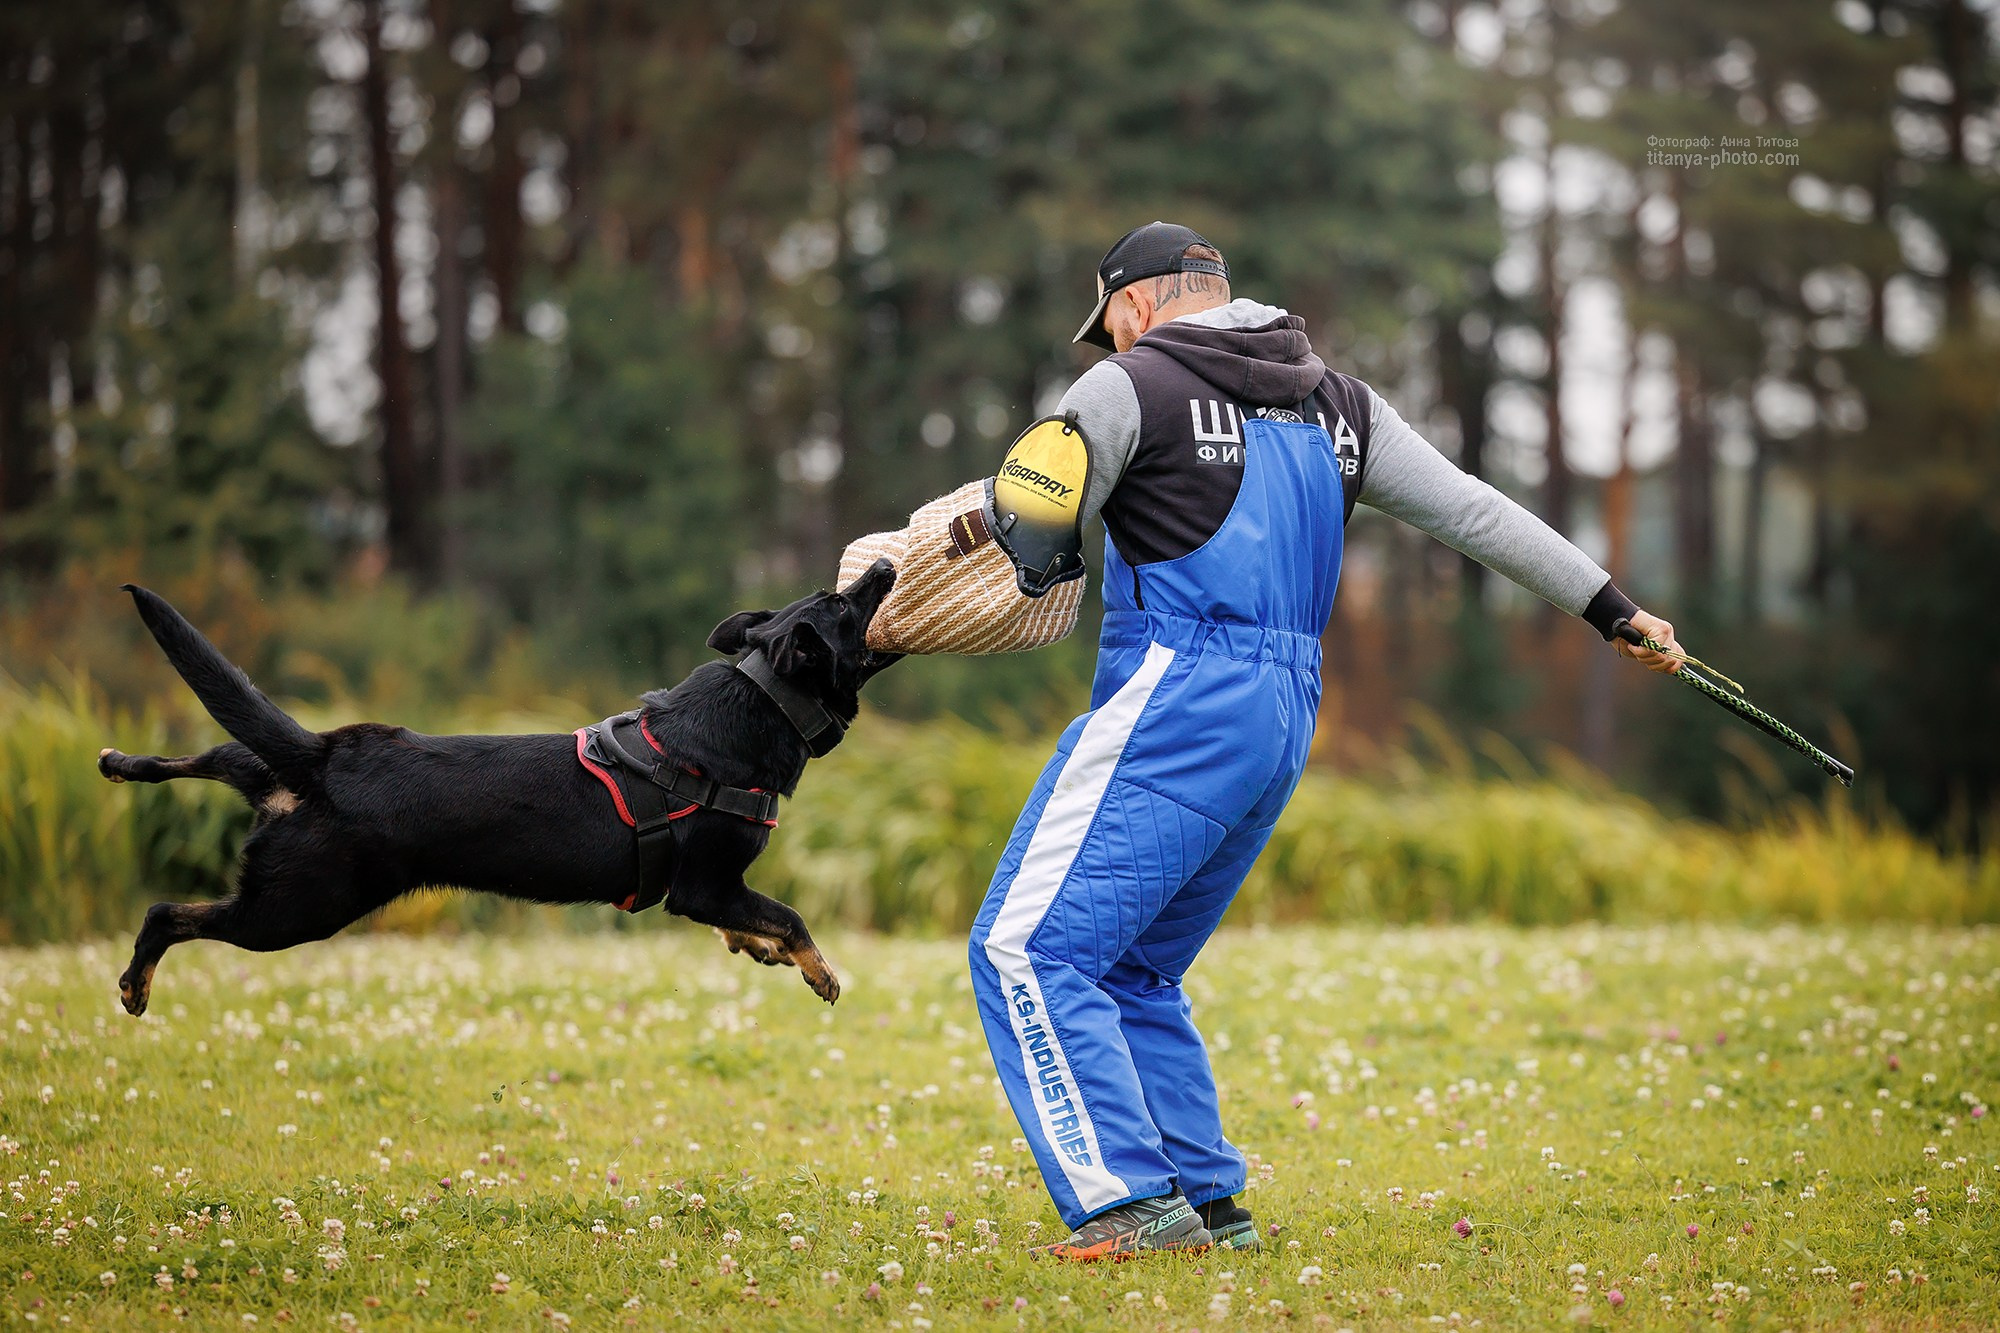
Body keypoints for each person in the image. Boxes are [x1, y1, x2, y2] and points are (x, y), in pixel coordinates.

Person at [965, 221, 1684, 1261]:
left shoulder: (1124, 388)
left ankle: (1125, 1207)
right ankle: (1205, 1202)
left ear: (1131, 304)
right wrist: (1609, 605)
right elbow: (1471, 512)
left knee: (1023, 947)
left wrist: (1025, 563)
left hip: (1175, 692)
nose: (1110, 340)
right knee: (1131, 968)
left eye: (1109, 323)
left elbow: (1032, 513)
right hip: (1285, 713)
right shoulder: (1335, 400)